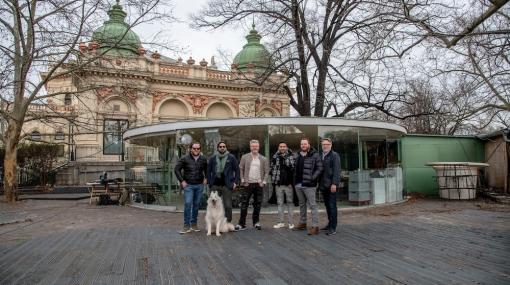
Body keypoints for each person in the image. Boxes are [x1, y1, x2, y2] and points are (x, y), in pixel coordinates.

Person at [235, 139, 269, 231]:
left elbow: (266, 172)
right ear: (250, 147)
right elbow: (240, 169)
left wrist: (264, 182)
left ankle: (256, 222)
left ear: (258, 147)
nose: (254, 148)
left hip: (259, 184)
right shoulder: (245, 157)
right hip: (247, 184)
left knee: (257, 204)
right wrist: (242, 180)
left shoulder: (263, 158)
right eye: (253, 146)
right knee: (244, 204)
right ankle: (241, 224)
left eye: (256, 146)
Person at [174, 142, 208, 234]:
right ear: (190, 149)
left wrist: (206, 178)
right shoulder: (184, 158)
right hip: (188, 185)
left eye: (198, 148)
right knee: (188, 203)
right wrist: (182, 181)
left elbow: (207, 169)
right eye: (194, 148)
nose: (196, 150)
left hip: (199, 185)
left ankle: (194, 224)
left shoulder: (203, 159)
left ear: (200, 149)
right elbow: (176, 169)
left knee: (196, 205)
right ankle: (186, 226)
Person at [293, 138, 323, 235]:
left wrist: (312, 178)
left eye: (305, 144)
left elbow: (320, 168)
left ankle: (315, 226)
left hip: (309, 185)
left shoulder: (315, 155)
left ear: (308, 145)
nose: (303, 145)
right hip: (298, 184)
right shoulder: (297, 155)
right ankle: (302, 223)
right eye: (302, 144)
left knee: (312, 205)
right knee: (302, 205)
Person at [206, 141, 240, 223]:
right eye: (220, 146)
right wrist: (210, 183)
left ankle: (227, 222)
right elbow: (208, 170)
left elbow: (237, 170)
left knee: (228, 205)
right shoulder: (213, 158)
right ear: (218, 148)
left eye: (223, 146)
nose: (222, 148)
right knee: (213, 206)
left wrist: (235, 182)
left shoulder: (231, 157)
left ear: (226, 148)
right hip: (215, 185)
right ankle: (214, 222)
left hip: (227, 185)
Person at [270, 142, 296, 229]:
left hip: (289, 185)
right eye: (281, 146)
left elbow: (293, 170)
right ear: (278, 147)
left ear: (286, 147)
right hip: (278, 184)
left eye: (284, 146)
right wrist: (274, 182)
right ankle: (280, 222)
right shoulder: (275, 157)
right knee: (280, 203)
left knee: (289, 203)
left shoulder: (291, 156)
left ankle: (291, 223)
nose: (282, 148)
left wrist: (292, 183)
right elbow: (271, 169)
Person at [319, 138, 341, 236]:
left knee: (332, 206)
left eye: (327, 144)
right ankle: (329, 224)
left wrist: (334, 184)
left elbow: (337, 170)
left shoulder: (334, 155)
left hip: (331, 186)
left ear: (331, 145)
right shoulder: (321, 155)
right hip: (324, 185)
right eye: (323, 144)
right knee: (328, 206)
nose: (325, 146)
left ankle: (333, 227)